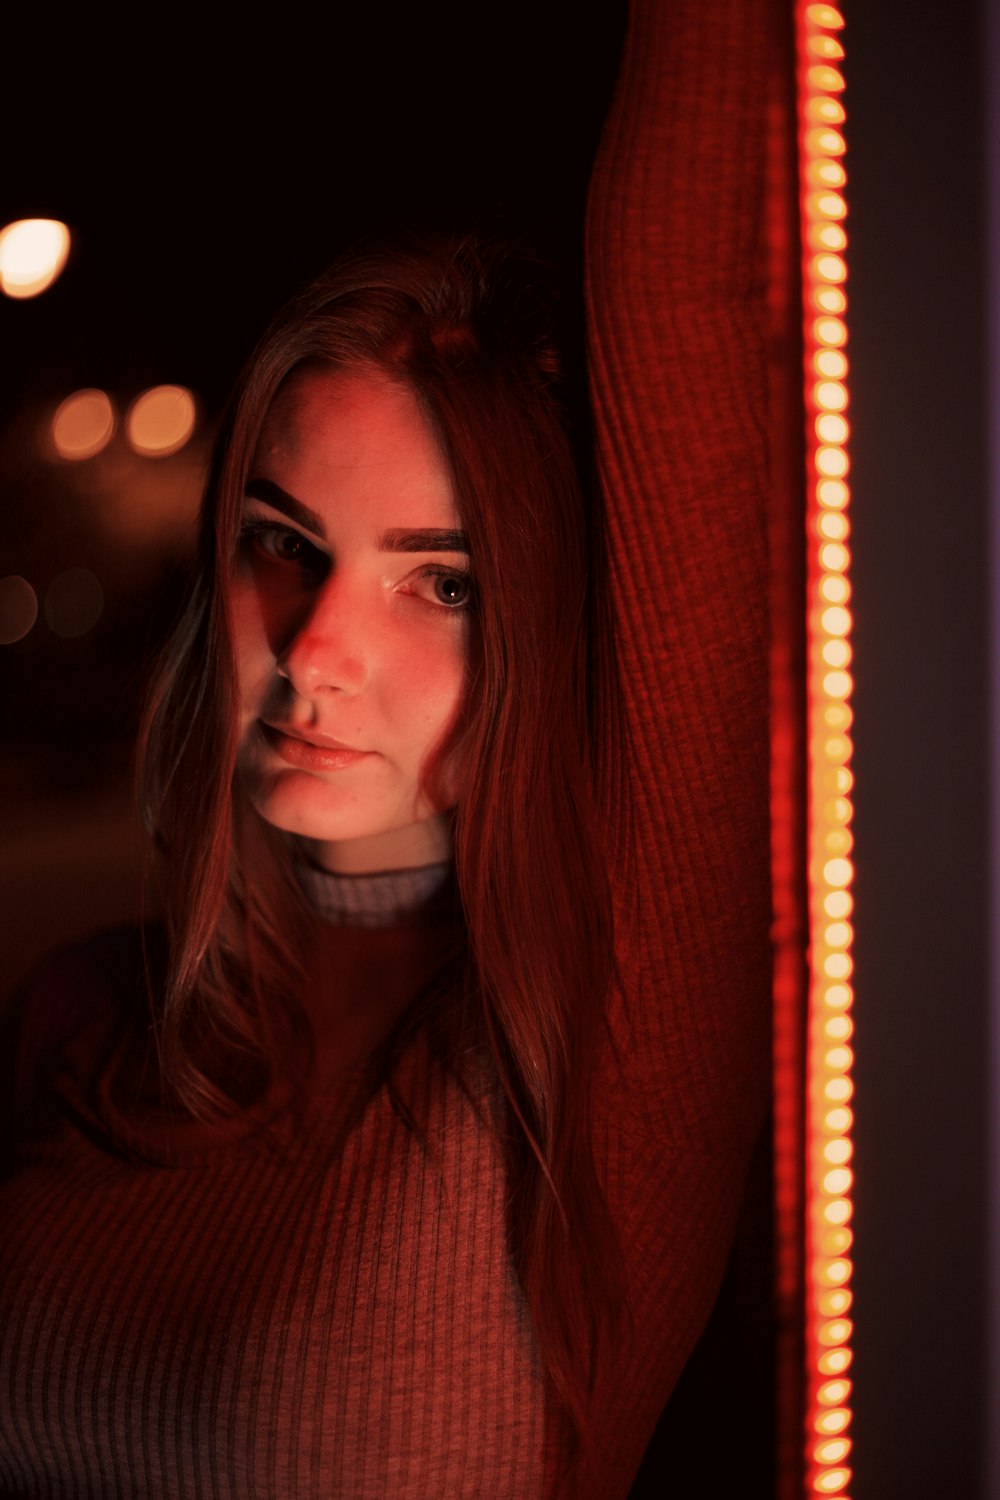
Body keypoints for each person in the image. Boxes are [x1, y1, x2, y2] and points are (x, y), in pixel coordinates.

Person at [0, 3, 775, 1495]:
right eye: (286, 546)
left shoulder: (593, 1062)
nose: (314, 649)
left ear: (552, 623)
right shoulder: (81, 1013)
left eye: (446, 582)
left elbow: (686, 268)